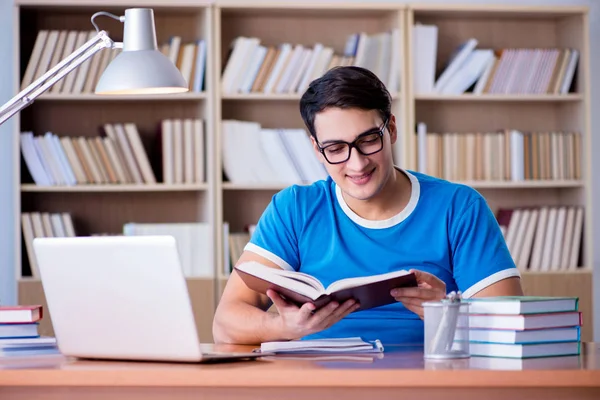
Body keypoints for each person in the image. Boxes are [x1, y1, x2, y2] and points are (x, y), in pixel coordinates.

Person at [212, 66, 523, 345]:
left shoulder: (459, 207)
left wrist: (448, 313)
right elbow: (225, 323)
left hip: (426, 380)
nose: (357, 163)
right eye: (335, 148)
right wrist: (282, 326)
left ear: (392, 130)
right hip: (315, 382)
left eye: (369, 140)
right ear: (317, 151)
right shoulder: (294, 209)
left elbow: (510, 328)